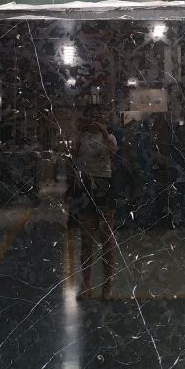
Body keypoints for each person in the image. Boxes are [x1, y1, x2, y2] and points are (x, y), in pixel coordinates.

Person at [68, 114, 117, 299]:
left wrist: (103, 132)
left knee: (106, 239)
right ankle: (86, 284)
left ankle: (107, 285)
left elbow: (113, 152)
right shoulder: (81, 139)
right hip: (85, 186)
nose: (94, 121)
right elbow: (73, 156)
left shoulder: (109, 137)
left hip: (104, 186)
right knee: (86, 238)